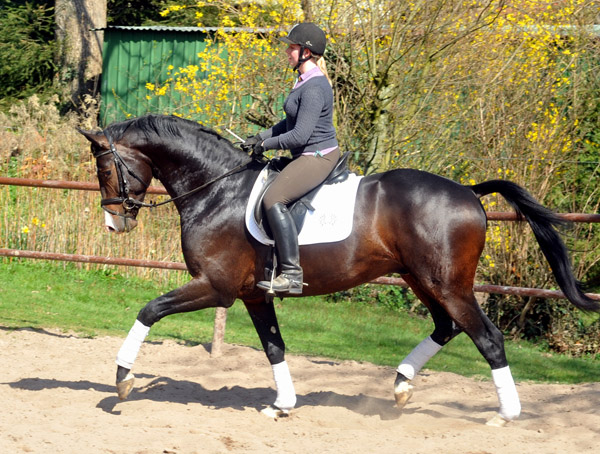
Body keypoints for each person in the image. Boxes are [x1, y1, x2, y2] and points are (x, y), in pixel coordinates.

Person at [245, 22, 340, 295]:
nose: (287, 51)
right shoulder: (302, 81)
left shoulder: (314, 88)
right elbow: (288, 124)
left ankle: (292, 274)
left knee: (273, 198)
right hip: (307, 152)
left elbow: (298, 136)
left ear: (306, 53)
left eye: (292, 47)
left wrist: (266, 144)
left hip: (318, 156)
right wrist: (258, 137)